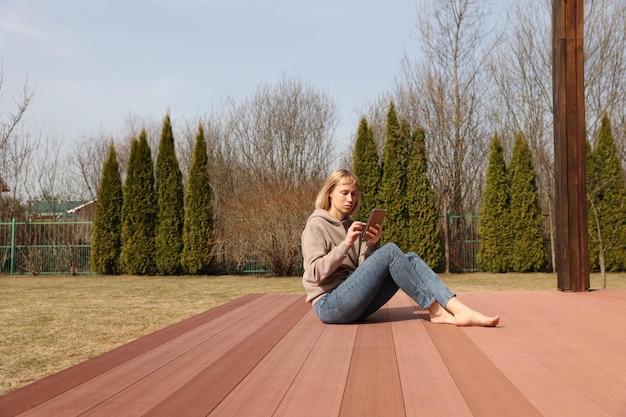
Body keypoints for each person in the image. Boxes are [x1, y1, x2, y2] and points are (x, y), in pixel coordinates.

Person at [301, 168, 500, 326]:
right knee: (390, 251)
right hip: (329, 306)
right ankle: (436, 312)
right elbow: (315, 274)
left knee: (410, 258)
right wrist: (345, 245)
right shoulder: (316, 225)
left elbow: (362, 270)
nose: (350, 199)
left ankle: (458, 308)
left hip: (353, 302)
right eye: (344, 193)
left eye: (353, 194)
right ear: (329, 194)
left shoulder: (351, 225)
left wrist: (371, 244)